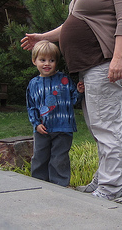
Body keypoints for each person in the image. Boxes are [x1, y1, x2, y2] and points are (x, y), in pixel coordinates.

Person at [21, 0, 122, 204]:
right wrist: (43, 37)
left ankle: (112, 190)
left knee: (107, 127)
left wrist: (118, 58)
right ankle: (103, 180)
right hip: (91, 66)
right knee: (98, 128)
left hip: (105, 62)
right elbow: (71, 24)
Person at [26, 40, 84, 187]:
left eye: (51, 60)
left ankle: (59, 186)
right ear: (34, 61)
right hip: (42, 129)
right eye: (42, 60)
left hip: (63, 128)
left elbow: (73, 100)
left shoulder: (64, 80)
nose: (47, 64)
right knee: (39, 158)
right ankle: (39, 185)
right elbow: (31, 106)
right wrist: (36, 124)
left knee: (59, 159)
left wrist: (79, 91)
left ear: (56, 62)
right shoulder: (33, 84)